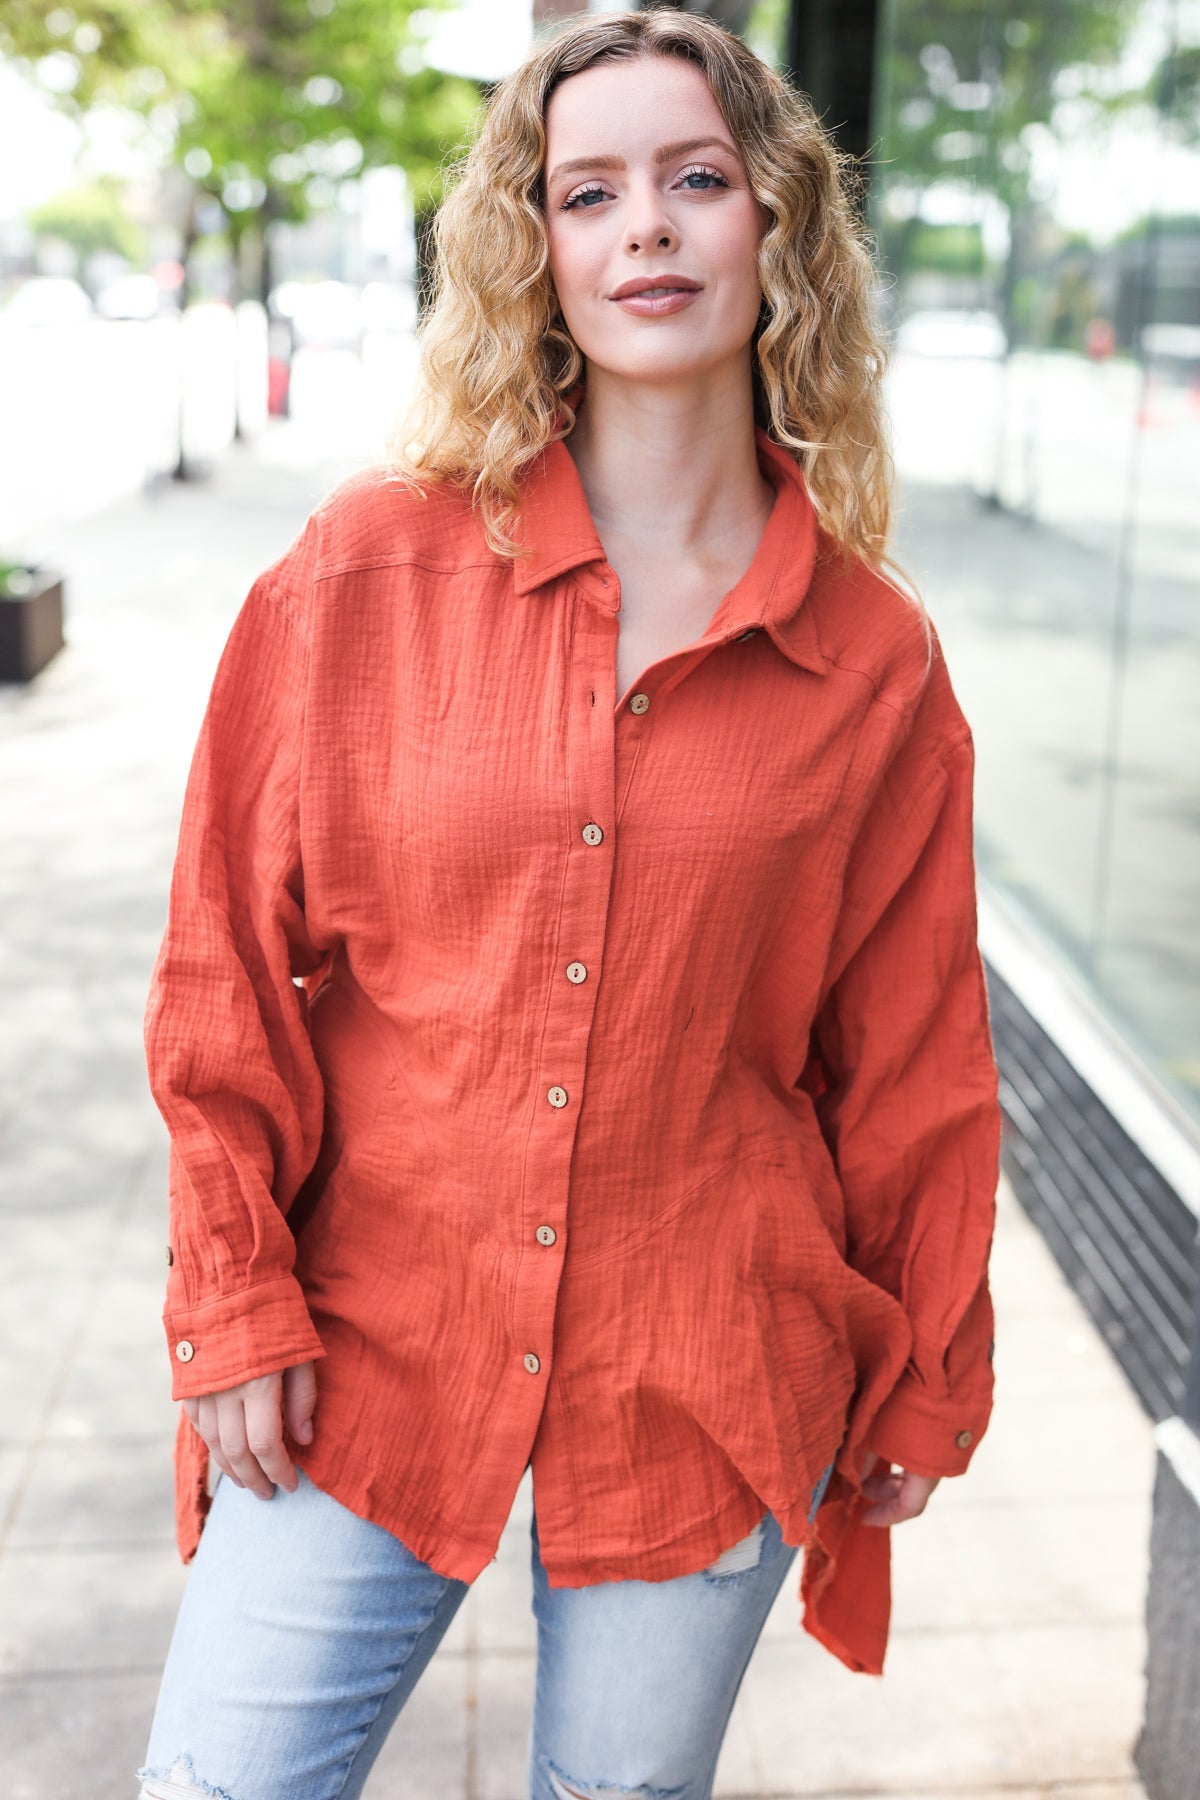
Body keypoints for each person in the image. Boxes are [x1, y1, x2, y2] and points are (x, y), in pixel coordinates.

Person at [136, 9, 1002, 1799]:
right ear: (535, 251)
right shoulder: (366, 570)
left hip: (708, 1352)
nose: (649, 229)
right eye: (588, 191)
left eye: (698, 180)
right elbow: (223, 952)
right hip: (370, 1336)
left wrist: (927, 1364)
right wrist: (231, 1294)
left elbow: (915, 1061)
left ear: (776, 228)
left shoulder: (873, 662)